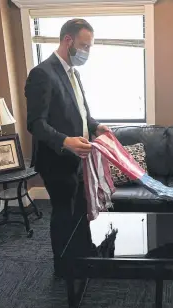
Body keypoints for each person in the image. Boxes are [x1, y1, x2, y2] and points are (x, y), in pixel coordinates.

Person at [25, 18, 110, 277]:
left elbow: (81, 113)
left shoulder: (73, 72)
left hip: (79, 158)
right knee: (64, 214)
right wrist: (65, 141)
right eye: (85, 46)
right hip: (57, 160)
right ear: (68, 41)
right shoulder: (42, 74)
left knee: (80, 211)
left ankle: (82, 254)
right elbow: (35, 124)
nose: (87, 52)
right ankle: (63, 267)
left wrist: (96, 127)